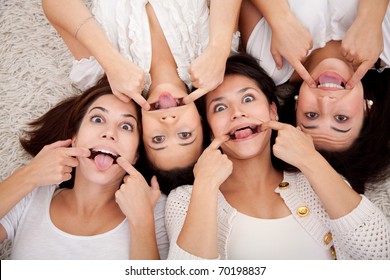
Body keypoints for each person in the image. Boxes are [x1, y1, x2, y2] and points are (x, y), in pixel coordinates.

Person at [165, 53, 390, 260]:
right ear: (209, 128)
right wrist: (205, 185)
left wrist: (309, 159)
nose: (237, 113)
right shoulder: (185, 200)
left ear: (273, 111)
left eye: (248, 99)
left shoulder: (318, 184)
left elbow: (380, 252)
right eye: (220, 108)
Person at [41, 0, 241, 184]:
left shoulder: (102, 76)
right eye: (185, 134)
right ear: (201, 120)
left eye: (158, 139)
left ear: (140, 132)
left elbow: (54, 4)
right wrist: (218, 49)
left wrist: (110, 61)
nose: (169, 121)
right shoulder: (215, 62)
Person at [0, 77, 168, 259]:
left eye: (126, 126)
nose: (109, 133)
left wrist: (142, 222)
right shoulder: (31, 197)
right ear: (75, 138)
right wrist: (28, 175)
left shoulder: (155, 210)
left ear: (136, 154)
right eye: (97, 119)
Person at [239, 0, 390, 151]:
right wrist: (370, 18)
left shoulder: (270, 62)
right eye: (341, 118)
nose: (324, 101)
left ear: (297, 107)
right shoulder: (386, 47)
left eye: (311, 115)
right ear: (367, 111)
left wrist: (280, 19)